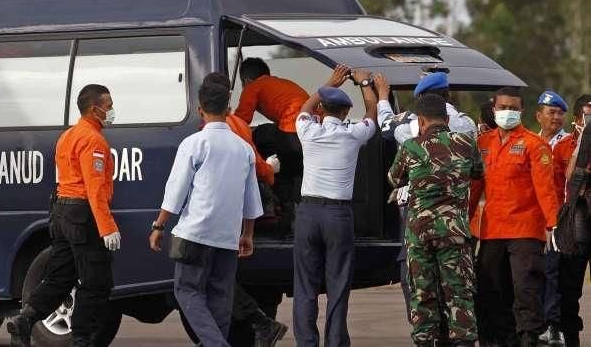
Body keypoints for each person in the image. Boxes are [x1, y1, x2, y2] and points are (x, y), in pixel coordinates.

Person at [148, 77, 263, 347]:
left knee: (186, 290)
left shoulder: (194, 143)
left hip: (195, 234)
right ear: (229, 109)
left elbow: (176, 190)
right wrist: (247, 234)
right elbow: (251, 200)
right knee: (220, 297)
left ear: (200, 110)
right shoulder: (244, 148)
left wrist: (159, 226)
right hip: (227, 237)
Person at [6, 84, 122, 347]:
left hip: (61, 212)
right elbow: (95, 188)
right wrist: (107, 227)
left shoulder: (67, 136)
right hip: (83, 215)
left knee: (60, 276)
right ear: (95, 110)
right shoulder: (94, 141)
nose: (112, 110)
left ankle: (26, 319)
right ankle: (82, 340)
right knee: (96, 282)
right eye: (109, 105)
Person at [378, 71, 477, 346]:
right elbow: (478, 171)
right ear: (447, 118)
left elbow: (393, 179)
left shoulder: (410, 146)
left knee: (423, 295)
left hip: (419, 234)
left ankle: (426, 340)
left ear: (420, 121)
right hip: (454, 232)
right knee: (459, 293)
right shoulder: (467, 141)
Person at [202, 72, 288, 346]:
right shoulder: (238, 124)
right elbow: (257, 168)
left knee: (212, 274)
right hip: (243, 207)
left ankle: (258, 322)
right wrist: (271, 172)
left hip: (223, 209)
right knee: (221, 273)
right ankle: (254, 324)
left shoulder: (205, 134)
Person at [293, 64, 376, 346]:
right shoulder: (353, 134)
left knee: (305, 285)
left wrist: (330, 83)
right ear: (344, 112)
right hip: (337, 215)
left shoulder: (307, 130)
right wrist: (365, 85)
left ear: (321, 111)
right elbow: (372, 116)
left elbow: (305, 107)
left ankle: (306, 342)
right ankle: (336, 342)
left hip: (307, 213)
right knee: (338, 285)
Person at [470, 87, 560, 347]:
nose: (507, 112)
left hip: (525, 230)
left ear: (521, 111)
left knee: (525, 291)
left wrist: (553, 224)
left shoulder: (535, 144)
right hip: (491, 231)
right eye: (503, 108)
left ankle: (529, 339)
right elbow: (475, 187)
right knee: (489, 290)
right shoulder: (483, 144)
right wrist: (464, 219)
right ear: (494, 109)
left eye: (513, 108)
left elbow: (546, 189)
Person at [555, 94, 591, 347]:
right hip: (574, 226)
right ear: (577, 119)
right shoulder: (564, 147)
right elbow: (558, 189)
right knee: (569, 290)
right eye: (588, 116)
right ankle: (571, 339)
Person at [234, 57, 309, 177]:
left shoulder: (253, 86)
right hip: (310, 132)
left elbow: (240, 121)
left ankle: (265, 177)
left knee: (259, 134)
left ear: (246, 81)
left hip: (293, 135)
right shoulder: (282, 83)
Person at [534, 90, 568, 346]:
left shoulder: (568, 143)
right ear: (538, 116)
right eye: (551, 112)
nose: (556, 118)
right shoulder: (530, 141)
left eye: (560, 113)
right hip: (529, 218)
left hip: (557, 219)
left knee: (552, 271)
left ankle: (553, 326)